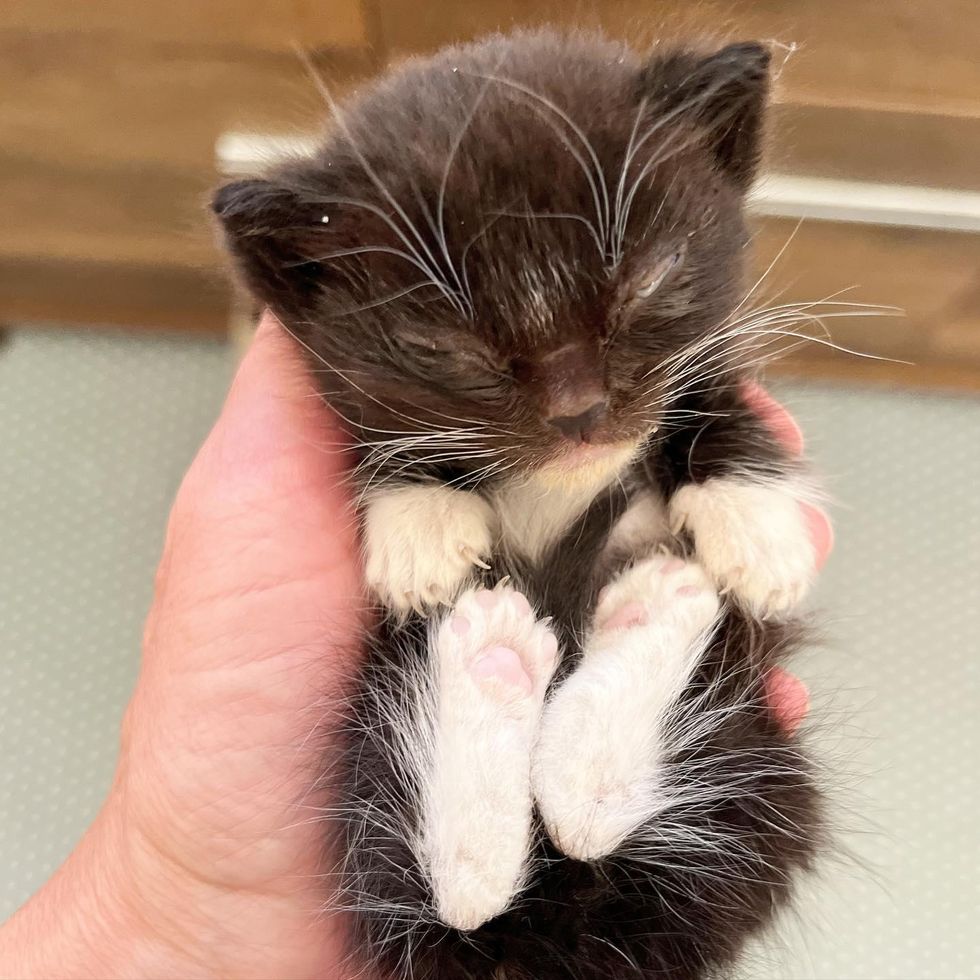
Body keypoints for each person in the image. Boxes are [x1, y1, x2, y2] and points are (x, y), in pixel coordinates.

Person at [0, 313, 831, 979]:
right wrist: (735, 477)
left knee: (440, 907)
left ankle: (483, 820)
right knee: (706, 861)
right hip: (638, 829)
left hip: (461, 742)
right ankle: (598, 766)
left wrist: (174, 906)